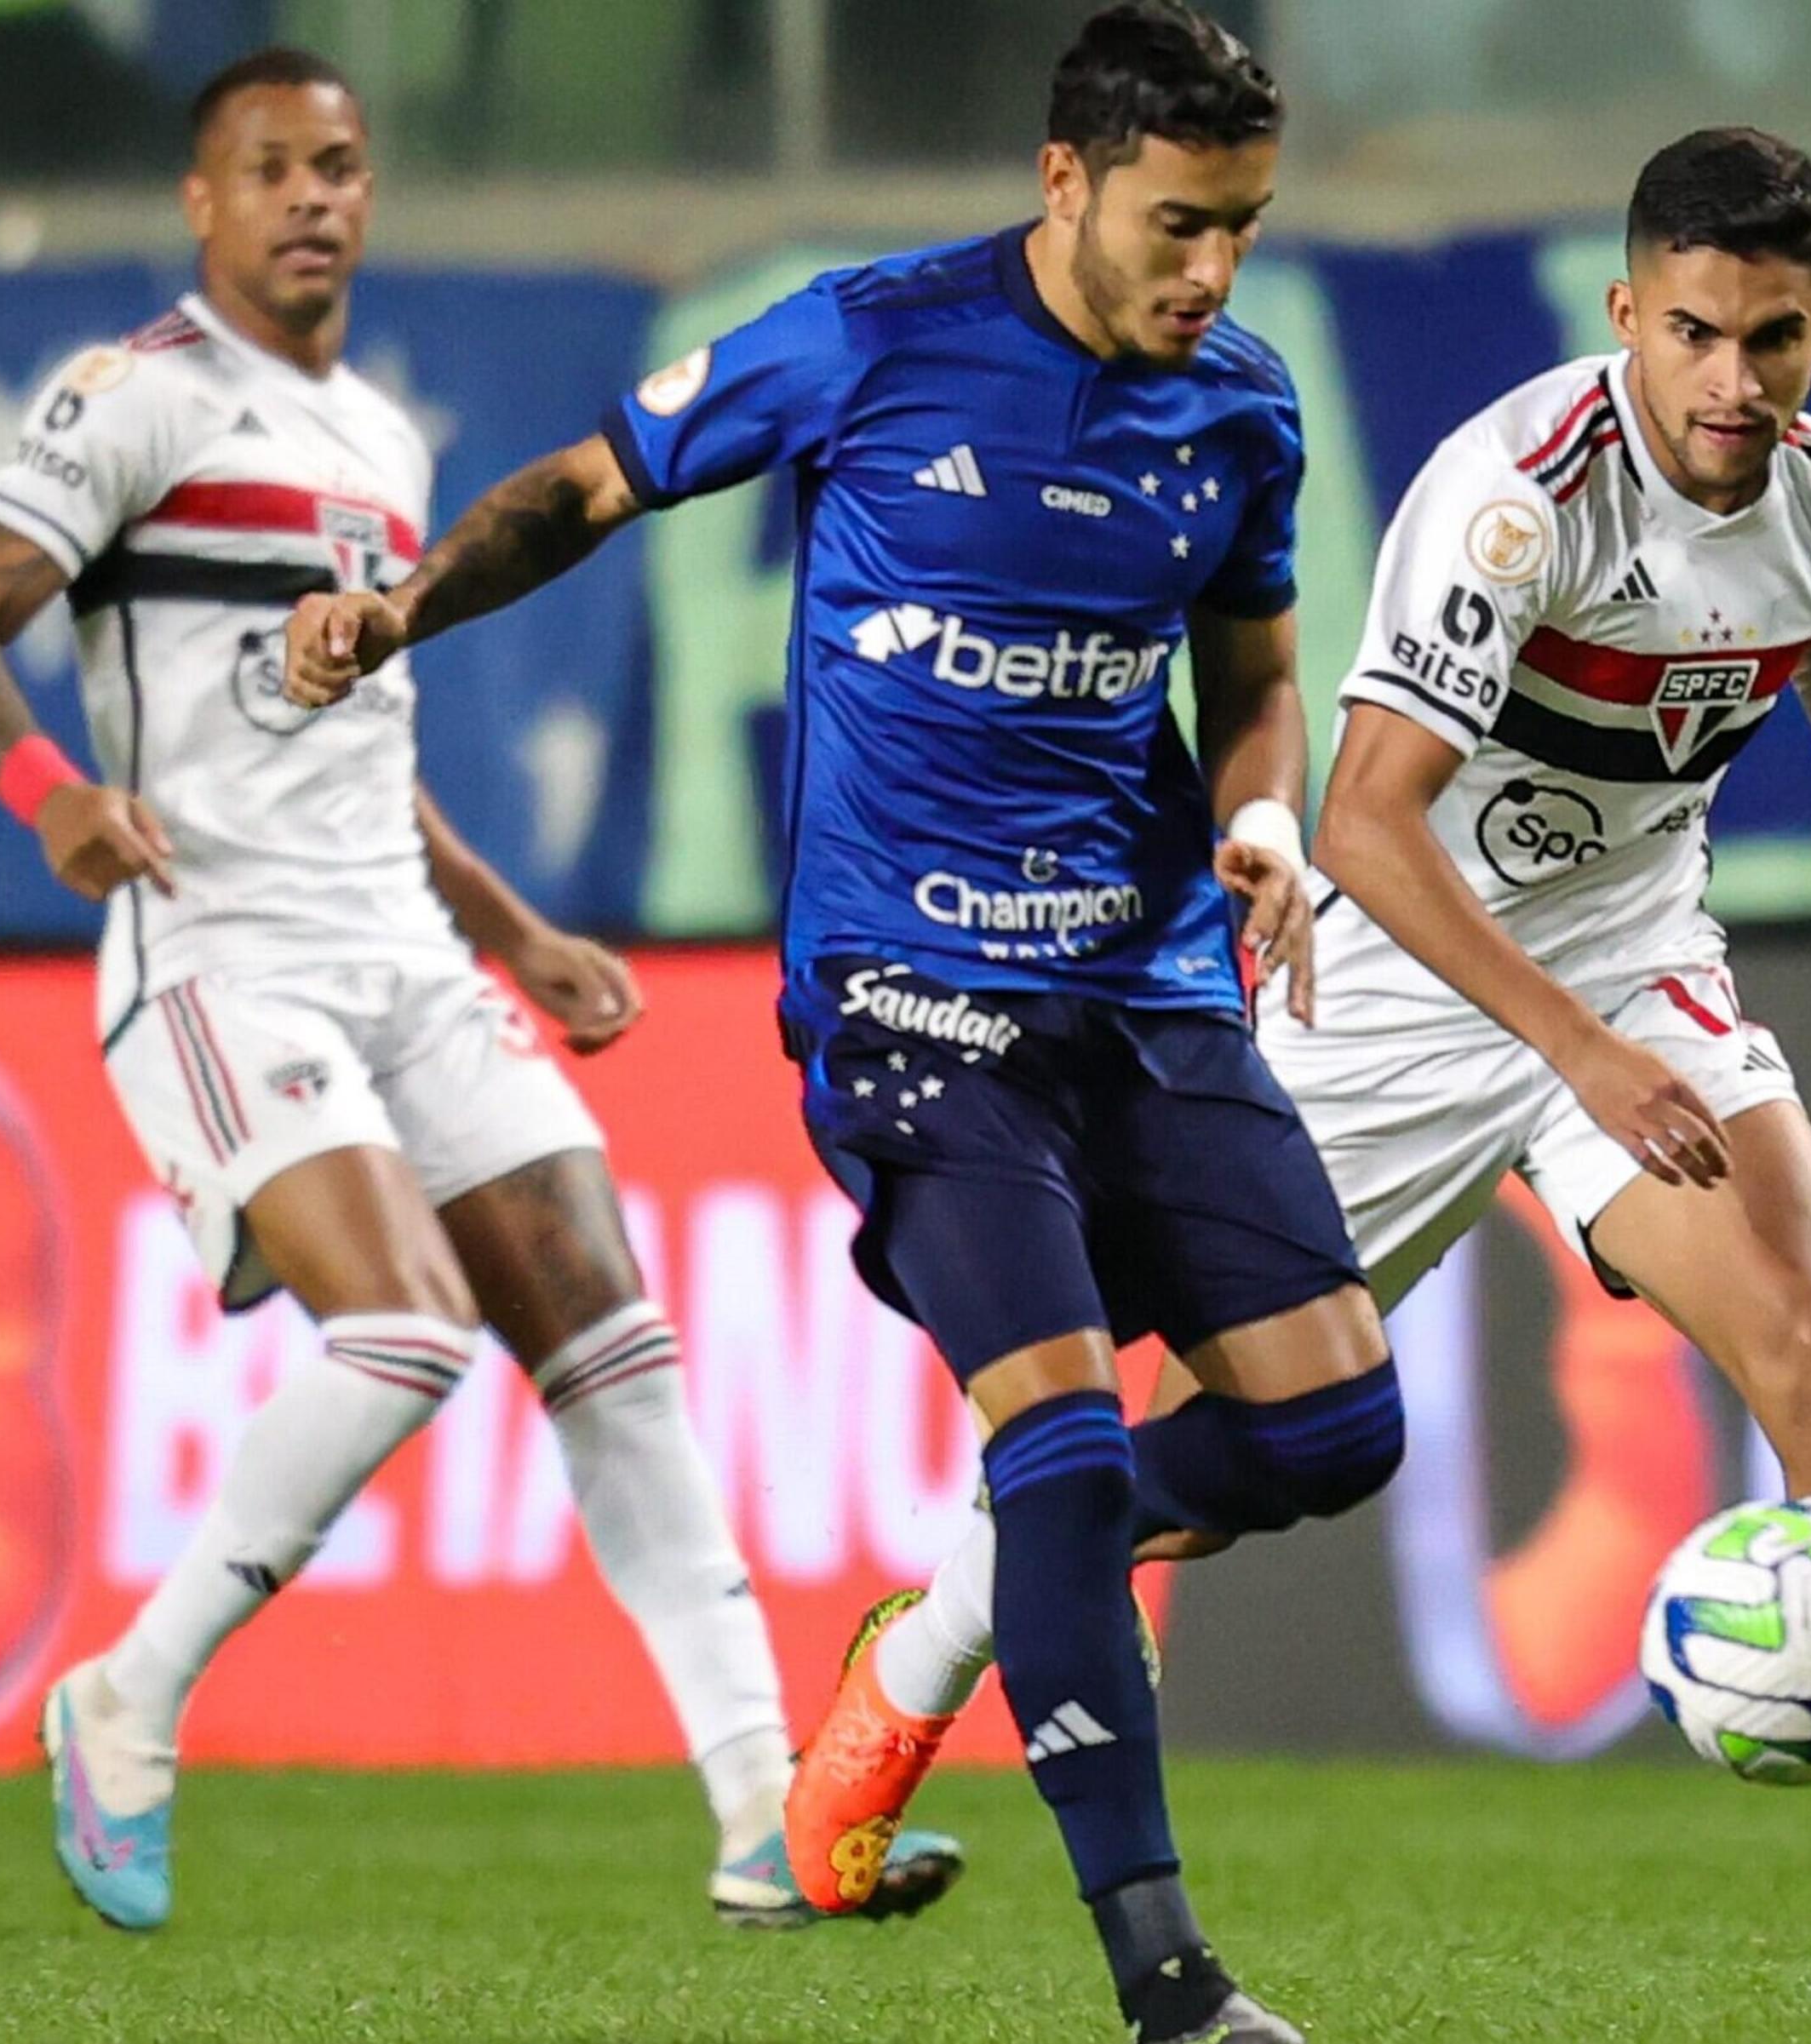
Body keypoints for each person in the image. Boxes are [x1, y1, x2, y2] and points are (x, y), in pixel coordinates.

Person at [838, 127, 1811, 2033]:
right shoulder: (1515, 497)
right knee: (1197, 1455)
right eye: (1693, 333)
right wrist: (1570, 1047)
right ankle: (916, 1664)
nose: (1731, 384)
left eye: (1772, 339)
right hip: (1401, 997)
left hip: (1636, 966)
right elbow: (1371, 813)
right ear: (1626, 316)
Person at [279, 9, 1399, 2040]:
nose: (1211, 272)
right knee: (1053, 1452)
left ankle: (977, 1606)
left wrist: (1257, 817)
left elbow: (1257, 671)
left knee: (1338, 1428)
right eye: (1177, 223)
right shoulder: (868, 338)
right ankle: (1171, 1986)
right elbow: (584, 488)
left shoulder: (1239, 408)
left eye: (1240, 227)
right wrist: (400, 612)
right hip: (912, 1005)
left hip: (1147, 985)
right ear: (1063, 180)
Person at [0, 46, 956, 1936]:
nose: (316, 197)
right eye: (272, 168)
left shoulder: (379, 437)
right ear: (202, 204)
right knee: (406, 1331)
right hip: (221, 954)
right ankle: (126, 1701)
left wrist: (516, 926)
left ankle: (760, 1814)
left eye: (343, 166)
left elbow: (369, 743)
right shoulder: (128, 402)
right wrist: (49, 798)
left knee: (614, 1345)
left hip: (401, 943)